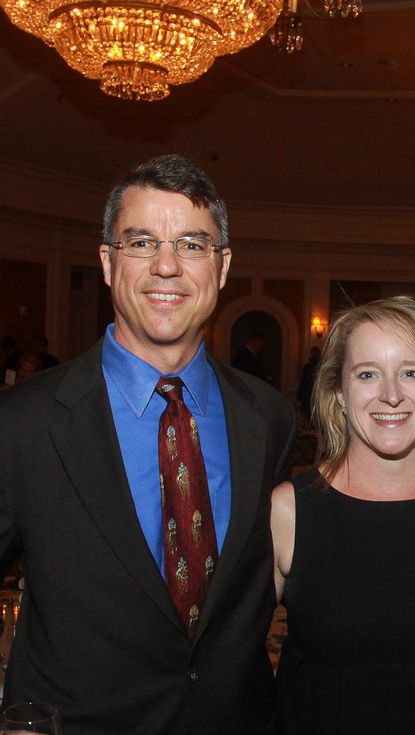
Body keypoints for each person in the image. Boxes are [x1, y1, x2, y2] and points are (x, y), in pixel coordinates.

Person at [0, 154, 295, 735]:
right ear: (109, 263)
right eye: (141, 243)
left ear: (222, 266)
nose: (167, 266)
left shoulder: (269, 417)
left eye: (191, 244)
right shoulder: (23, 423)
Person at [271, 296, 415, 735]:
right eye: (367, 374)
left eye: (411, 372)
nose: (391, 395)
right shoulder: (290, 509)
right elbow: (230, 659)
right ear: (339, 393)